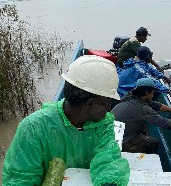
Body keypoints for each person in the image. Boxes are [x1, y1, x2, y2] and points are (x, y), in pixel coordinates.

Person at [2, 55, 130, 186]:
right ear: (91, 103)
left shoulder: (103, 125)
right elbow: (20, 179)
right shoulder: (33, 128)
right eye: (107, 102)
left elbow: (108, 160)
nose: (108, 108)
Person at [112, 77, 171, 154]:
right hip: (119, 142)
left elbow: (155, 105)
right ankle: (141, 159)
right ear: (146, 92)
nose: (153, 94)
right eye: (152, 92)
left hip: (111, 135)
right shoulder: (141, 107)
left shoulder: (131, 96)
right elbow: (165, 123)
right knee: (152, 142)